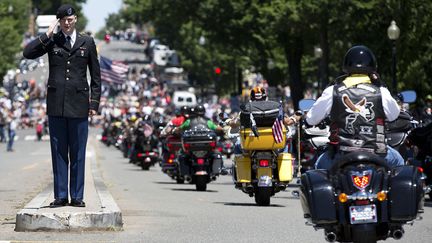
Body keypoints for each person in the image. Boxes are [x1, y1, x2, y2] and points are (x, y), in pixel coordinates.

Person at [23, 4, 101, 207]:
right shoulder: (53, 41)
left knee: (78, 153)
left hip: (79, 105)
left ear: (75, 19)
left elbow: (96, 77)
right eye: (64, 20)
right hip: (56, 104)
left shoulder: (87, 42)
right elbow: (28, 53)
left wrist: (94, 103)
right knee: (58, 152)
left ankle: (76, 196)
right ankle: (60, 195)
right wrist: (46, 34)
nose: (68, 22)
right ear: (59, 21)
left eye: (71, 19)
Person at [293, 45, 403, 170]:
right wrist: (381, 84)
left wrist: (305, 121)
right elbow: (394, 115)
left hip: (341, 154)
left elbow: (311, 119)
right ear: (373, 67)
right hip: (377, 153)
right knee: (399, 162)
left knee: (318, 166)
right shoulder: (380, 91)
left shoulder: (333, 90)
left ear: (346, 66)